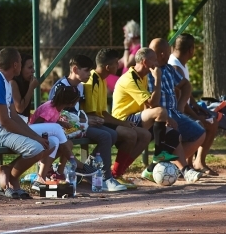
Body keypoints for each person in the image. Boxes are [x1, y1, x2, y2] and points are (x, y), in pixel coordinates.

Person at [111, 47, 202, 183]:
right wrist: (157, 80)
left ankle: (159, 169)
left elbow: (148, 105)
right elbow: (153, 104)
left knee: (173, 135)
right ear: (145, 62)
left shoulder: (141, 76)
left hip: (138, 118)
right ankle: (159, 155)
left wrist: (167, 118)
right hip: (123, 121)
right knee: (160, 112)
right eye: (154, 60)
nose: (157, 63)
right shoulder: (130, 79)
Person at [0, 47, 50, 199]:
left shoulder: (6, 82)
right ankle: (12, 176)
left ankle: (8, 171)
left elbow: (14, 117)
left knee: (43, 145)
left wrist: (36, 136)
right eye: (21, 62)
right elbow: (5, 122)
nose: (22, 65)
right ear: (15, 65)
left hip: (1, 131)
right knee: (36, 148)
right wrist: (35, 139)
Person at [47, 54, 128, 192]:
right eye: (86, 71)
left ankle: (90, 167)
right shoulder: (60, 87)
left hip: (78, 126)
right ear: (75, 69)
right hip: (64, 128)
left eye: (91, 71)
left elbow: (78, 111)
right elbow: (55, 114)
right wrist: (83, 120)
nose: (89, 74)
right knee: (105, 136)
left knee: (113, 134)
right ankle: (105, 178)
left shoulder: (80, 86)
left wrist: (89, 119)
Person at [83, 48, 152, 189]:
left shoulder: (102, 79)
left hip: (100, 120)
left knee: (145, 135)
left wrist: (123, 123)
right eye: (116, 63)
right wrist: (122, 123)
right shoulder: (93, 80)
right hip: (88, 123)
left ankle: (117, 173)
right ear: (108, 67)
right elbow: (94, 115)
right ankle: (107, 173)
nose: (119, 65)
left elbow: (102, 113)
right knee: (129, 134)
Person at [147, 39, 206, 172]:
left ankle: (169, 166)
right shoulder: (147, 72)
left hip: (174, 113)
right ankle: (176, 168)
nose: (170, 54)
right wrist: (164, 118)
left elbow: (186, 85)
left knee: (200, 132)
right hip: (157, 117)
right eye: (169, 52)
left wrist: (180, 106)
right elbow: (148, 104)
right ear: (162, 54)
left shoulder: (168, 69)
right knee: (174, 134)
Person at [168, 33, 220, 175]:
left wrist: (197, 107)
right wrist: (198, 116)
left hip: (186, 109)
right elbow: (181, 102)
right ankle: (185, 164)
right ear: (191, 50)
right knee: (202, 124)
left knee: (213, 120)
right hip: (177, 112)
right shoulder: (175, 67)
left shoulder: (181, 63)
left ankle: (198, 162)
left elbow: (187, 92)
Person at [28, 85, 78, 184]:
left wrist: (60, 123)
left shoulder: (57, 107)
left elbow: (49, 122)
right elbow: (37, 124)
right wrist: (57, 126)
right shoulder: (50, 109)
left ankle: (56, 172)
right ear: (70, 102)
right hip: (35, 136)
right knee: (66, 144)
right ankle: (74, 164)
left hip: (47, 136)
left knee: (68, 144)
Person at [11, 53, 40, 121]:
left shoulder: (26, 82)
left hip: (24, 124)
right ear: (20, 68)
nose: (33, 71)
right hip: (15, 127)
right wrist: (31, 88)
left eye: (33, 67)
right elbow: (19, 109)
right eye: (30, 67)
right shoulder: (13, 83)